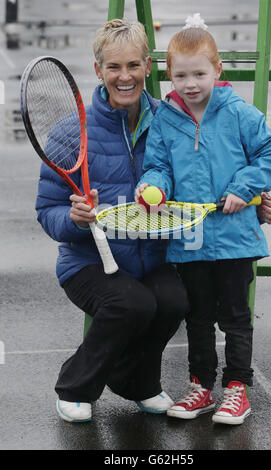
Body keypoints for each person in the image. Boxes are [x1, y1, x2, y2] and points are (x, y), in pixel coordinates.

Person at [35, 18, 190, 423]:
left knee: (174, 300)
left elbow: (201, 179)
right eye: (114, 67)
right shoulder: (72, 132)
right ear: (98, 69)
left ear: (148, 67)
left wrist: (253, 201)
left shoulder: (169, 121)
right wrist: (75, 218)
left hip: (151, 258)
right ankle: (75, 386)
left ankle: (137, 382)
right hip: (86, 264)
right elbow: (46, 210)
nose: (125, 77)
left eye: (133, 66)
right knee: (131, 303)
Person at [135, 13, 271, 425]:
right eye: (180, 76)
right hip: (190, 239)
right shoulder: (166, 118)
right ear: (169, 77)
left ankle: (237, 389)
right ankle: (201, 387)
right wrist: (155, 188)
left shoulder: (238, 112)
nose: (190, 84)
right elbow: (158, 165)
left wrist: (243, 187)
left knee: (236, 317)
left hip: (235, 238)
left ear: (217, 69)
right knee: (197, 316)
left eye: (199, 73)